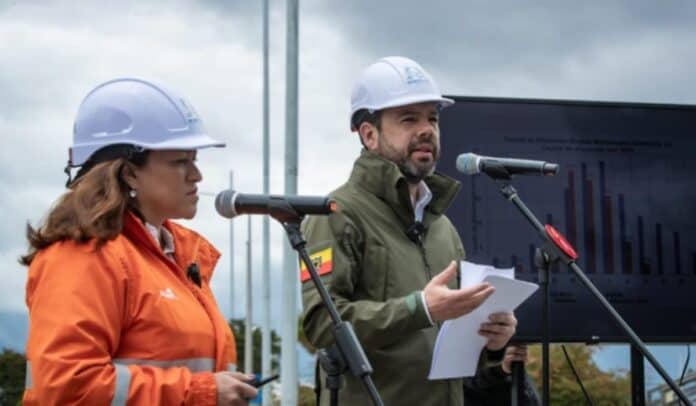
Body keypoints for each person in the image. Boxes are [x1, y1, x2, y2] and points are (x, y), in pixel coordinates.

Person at [21, 78, 257, 405]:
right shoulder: (84, 256)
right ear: (129, 173)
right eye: (180, 161)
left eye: (195, 160)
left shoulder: (173, 257)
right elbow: (66, 385)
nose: (196, 176)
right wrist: (202, 391)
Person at [301, 56, 518, 405]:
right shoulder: (337, 214)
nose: (426, 129)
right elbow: (322, 325)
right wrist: (421, 308)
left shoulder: (443, 228)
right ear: (369, 135)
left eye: (432, 118)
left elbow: (451, 351)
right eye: (408, 119)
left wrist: (491, 341)